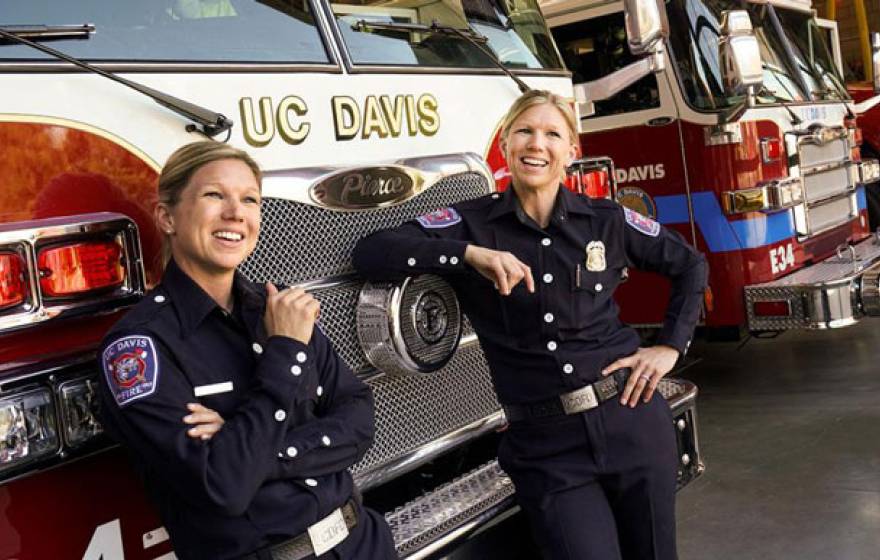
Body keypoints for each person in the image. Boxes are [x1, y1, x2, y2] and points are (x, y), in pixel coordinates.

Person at [352, 89, 707, 560]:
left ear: (570, 152)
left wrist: (670, 348)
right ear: (505, 143)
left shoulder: (606, 220)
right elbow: (372, 251)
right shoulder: (470, 224)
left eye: (552, 134)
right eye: (524, 131)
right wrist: (466, 254)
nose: (536, 144)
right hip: (546, 448)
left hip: (631, 421)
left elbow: (690, 265)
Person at [97, 141, 397, 560]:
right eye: (214, 195)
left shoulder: (275, 306)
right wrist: (286, 351)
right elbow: (223, 486)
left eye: (249, 199)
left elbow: (359, 416)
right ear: (167, 216)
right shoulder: (140, 350)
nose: (235, 213)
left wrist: (257, 453)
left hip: (363, 541)